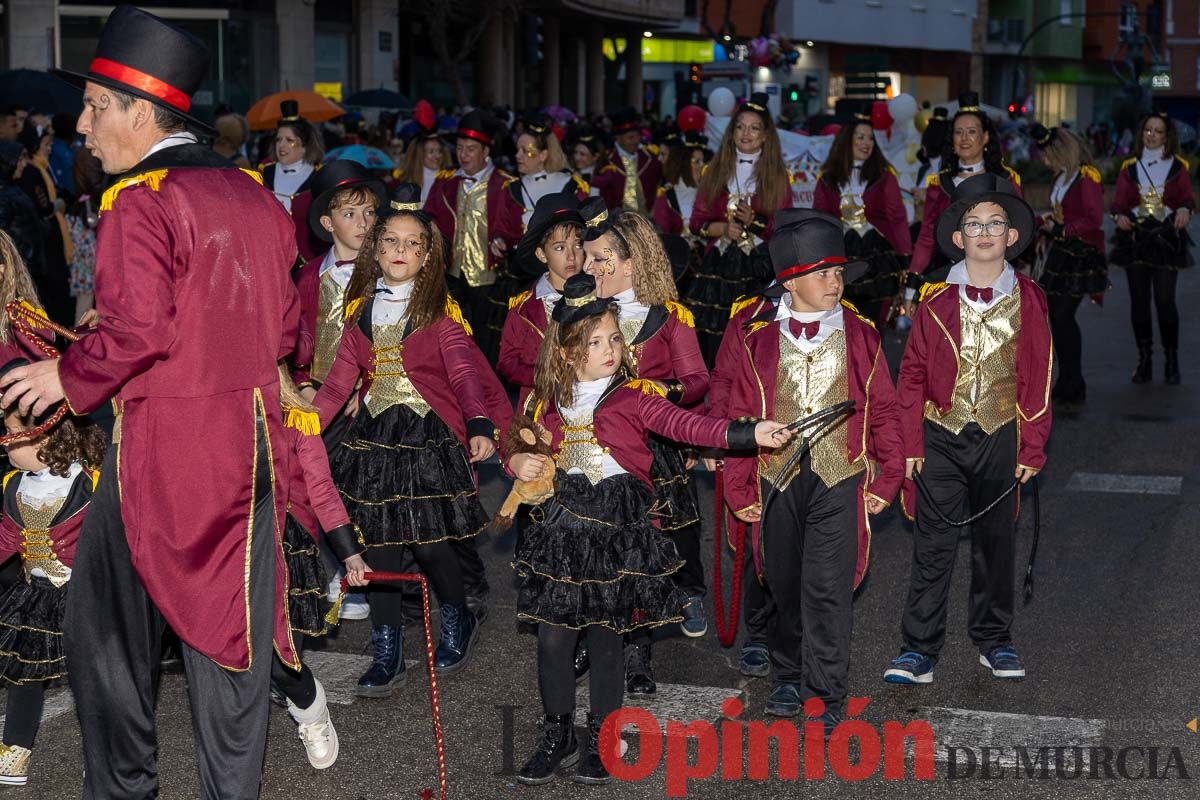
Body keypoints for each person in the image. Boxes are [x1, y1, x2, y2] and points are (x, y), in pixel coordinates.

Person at [1, 8, 304, 796]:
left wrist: (63, 378)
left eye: (99, 105)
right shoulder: (252, 191)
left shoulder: (138, 198)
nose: (84, 123)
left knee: (102, 637)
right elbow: (287, 325)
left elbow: (141, 333)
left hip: (168, 449)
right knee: (227, 640)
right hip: (252, 445)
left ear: (142, 112)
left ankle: (124, 788)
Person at [509, 271, 791, 786]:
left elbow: (690, 425)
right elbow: (524, 445)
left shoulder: (634, 396)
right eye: (596, 342)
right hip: (564, 533)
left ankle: (603, 734)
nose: (611, 349)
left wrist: (748, 433)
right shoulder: (546, 402)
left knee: (606, 637)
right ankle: (558, 732)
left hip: (619, 529)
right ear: (569, 352)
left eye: (615, 338)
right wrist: (517, 464)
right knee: (552, 638)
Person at [312, 197, 508, 693]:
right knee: (377, 543)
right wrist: (304, 425)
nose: (401, 250)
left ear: (426, 257)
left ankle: (457, 616)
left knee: (429, 539)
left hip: (427, 437)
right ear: (376, 250)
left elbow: (464, 373)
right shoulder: (359, 311)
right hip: (376, 437)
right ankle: (388, 645)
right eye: (392, 241)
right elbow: (338, 384)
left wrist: (479, 424)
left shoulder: (439, 310)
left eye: (412, 244)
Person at [723, 209, 902, 726]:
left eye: (839, 272)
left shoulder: (861, 334)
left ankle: (826, 691)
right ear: (791, 281)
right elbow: (737, 415)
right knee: (782, 582)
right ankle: (787, 675)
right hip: (774, 476)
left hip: (840, 476)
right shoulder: (756, 339)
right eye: (823, 273)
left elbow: (884, 409)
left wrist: (887, 475)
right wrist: (738, 485)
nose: (835, 282)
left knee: (826, 586)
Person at [885, 174, 1052, 687]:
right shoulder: (936, 299)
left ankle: (994, 639)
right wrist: (910, 441)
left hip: (1002, 432)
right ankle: (918, 649)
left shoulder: (1029, 298)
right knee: (933, 544)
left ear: (1012, 237)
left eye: (995, 224)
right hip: (940, 433)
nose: (984, 232)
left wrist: (1033, 444)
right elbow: (910, 373)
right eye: (973, 224)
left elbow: (1041, 372)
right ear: (957, 237)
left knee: (995, 543)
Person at [580, 203, 710, 693]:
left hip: (656, 448)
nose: (589, 267)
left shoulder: (670, 317)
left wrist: (662, 393)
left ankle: (650, 640)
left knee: (666, 537)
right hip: (595, 451)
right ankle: (598, 640)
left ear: (632, 261)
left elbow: (697, 379)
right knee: (604, 552)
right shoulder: (582, 314)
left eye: (600, 258)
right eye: (588, 259)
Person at [0, 360, 107, 787]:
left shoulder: (90, 483)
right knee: (23, 673)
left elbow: (110, 538)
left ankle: (102, 754)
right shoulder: (14, 485)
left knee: (93, 681)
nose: (5, 444)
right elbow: (7, 538)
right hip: (36, 595)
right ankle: (16, 748)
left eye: (12, 437)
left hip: (85, 599)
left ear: (48, 439)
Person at [290, 159, 387, 623]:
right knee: (314, 488)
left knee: (363, 489)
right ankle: (332, 567)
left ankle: (362, 577)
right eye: (351, 214)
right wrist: (303, 384)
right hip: (317, 400)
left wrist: (366, 388)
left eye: (370, 214)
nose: (364, 224)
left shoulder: (386, 276)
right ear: (327, 223)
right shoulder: (309, 276)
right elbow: (298, 336)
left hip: (366, 399)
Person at [271, 364, 371, 770]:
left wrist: (350, 553)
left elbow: (322, 490)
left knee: (275, 656)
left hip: (284, 541)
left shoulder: (298, 417)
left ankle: (310, 705)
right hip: (224, 540)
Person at [687, 92, 794, 365]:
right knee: (715, 345)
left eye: (754, 127)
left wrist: (755, 221)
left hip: (759, 270)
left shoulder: (778, 177)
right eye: (740, 126)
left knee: (756, 346)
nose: (746, 133)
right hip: (718, 270)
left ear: (765, 135)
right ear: (732, 132)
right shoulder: (714, 171)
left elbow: (785, 230)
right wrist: (722, 228)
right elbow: (696, 224)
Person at [423, 109, 524, 364]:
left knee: (485, 344)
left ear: (485, 152)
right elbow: (430, 218)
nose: (463, 155)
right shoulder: (444, 182)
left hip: (488, 276)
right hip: (452, 275)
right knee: (452, 339)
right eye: (459, 148)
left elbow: (515, 224)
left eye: (470, 149)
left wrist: (503, 239)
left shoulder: (505, 184)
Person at [905, 92, 1022, 303]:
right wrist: (911, 287)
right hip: (947, 277)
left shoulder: (1006, 180)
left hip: (996, 280)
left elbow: (1019, 229)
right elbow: (926, 237)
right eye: (958, 132)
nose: (964, 138)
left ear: (985, 137)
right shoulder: (938, 183)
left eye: (971, 132)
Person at [1109, 111, 1193, 385]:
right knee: (1139, 304)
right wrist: (1118, 216)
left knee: (1165, 302)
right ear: (1141, 133)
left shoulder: (1178, 166)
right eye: (1148, 130)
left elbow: (1187, 198)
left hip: (1166, 238)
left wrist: (1184, 209)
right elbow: (1118, 203)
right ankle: (1144, 360)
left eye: (1158, 131)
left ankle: (1172, 359)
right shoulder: (1129, 166)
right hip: (1136, 238)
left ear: (1167, 136)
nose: (1152, 135)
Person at [813, 110, 912, 326]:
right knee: (837, 320)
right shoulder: (827, 178)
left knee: (873, 322)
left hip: (875, 254)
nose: (866, 143)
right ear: (846, 140)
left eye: (870, 138)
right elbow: (819, 218)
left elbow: (897, 218)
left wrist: (906, 257)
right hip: (839, 254)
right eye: (860, 137)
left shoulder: (884, 176)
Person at [1031, 124, 1106, 405]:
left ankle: (1075, 381)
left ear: (1060, 151)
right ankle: (1069, 380)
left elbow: (1093, 218)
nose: (1043, 159)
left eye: (1047, 154)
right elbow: (1062, 213)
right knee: (1060, 319)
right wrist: (1045, 222)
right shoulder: (1062, 176)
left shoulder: (1087, 176)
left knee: (1063, 316)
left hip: (1082, 254)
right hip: (1061, 252)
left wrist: (1061, 230)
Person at [500, 193, 585, 410]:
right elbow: (507, 362)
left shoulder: (601, 297)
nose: (571, 256)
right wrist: (544, 374)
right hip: (540, 411)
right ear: (541, 254)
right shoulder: (522, 308)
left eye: (578, 245)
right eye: (559, 248)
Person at [16, 123, 73, 327]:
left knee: (59, 291)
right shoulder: (32, 171)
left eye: (50, 144)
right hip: (46, 242)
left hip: (51, 239)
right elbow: (40, 207)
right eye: (46, 144)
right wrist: (55, 205)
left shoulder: (42, 167)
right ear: (34, 145)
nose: (49, 148)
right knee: (55, 292)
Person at [263, 100, 326, 262]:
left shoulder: (318, 176)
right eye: (278, 140)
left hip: (306, 260)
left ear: (304, 146)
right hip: (269, 256)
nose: (281, 146)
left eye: (289, 140)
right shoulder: (265, 172)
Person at [511, 113, 588, 227]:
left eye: (525, 151)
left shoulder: (572, 186)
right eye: (517, 149)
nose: (517, 155)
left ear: (543, 155)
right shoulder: (511, 188)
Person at [607, 107, 662, 215]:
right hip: (616, 225)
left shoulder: (652, 159)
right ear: (618, 138)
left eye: (638, 136)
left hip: (647, 223)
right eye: (631, 137)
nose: (636, 141)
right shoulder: (606, 162)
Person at [399, 99, 450, 204]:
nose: (437, 156)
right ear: (420, 155)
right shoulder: (406, 180)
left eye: (439, 151)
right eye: (431, 152)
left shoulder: (449, 179)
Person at [570, 124, 622, 209]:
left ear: (595, 156)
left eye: (582, 154)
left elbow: (605, 181)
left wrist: (582, 178)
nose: (577, 157)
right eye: (575, 153)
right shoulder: (570, 171)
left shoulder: (606, 171)